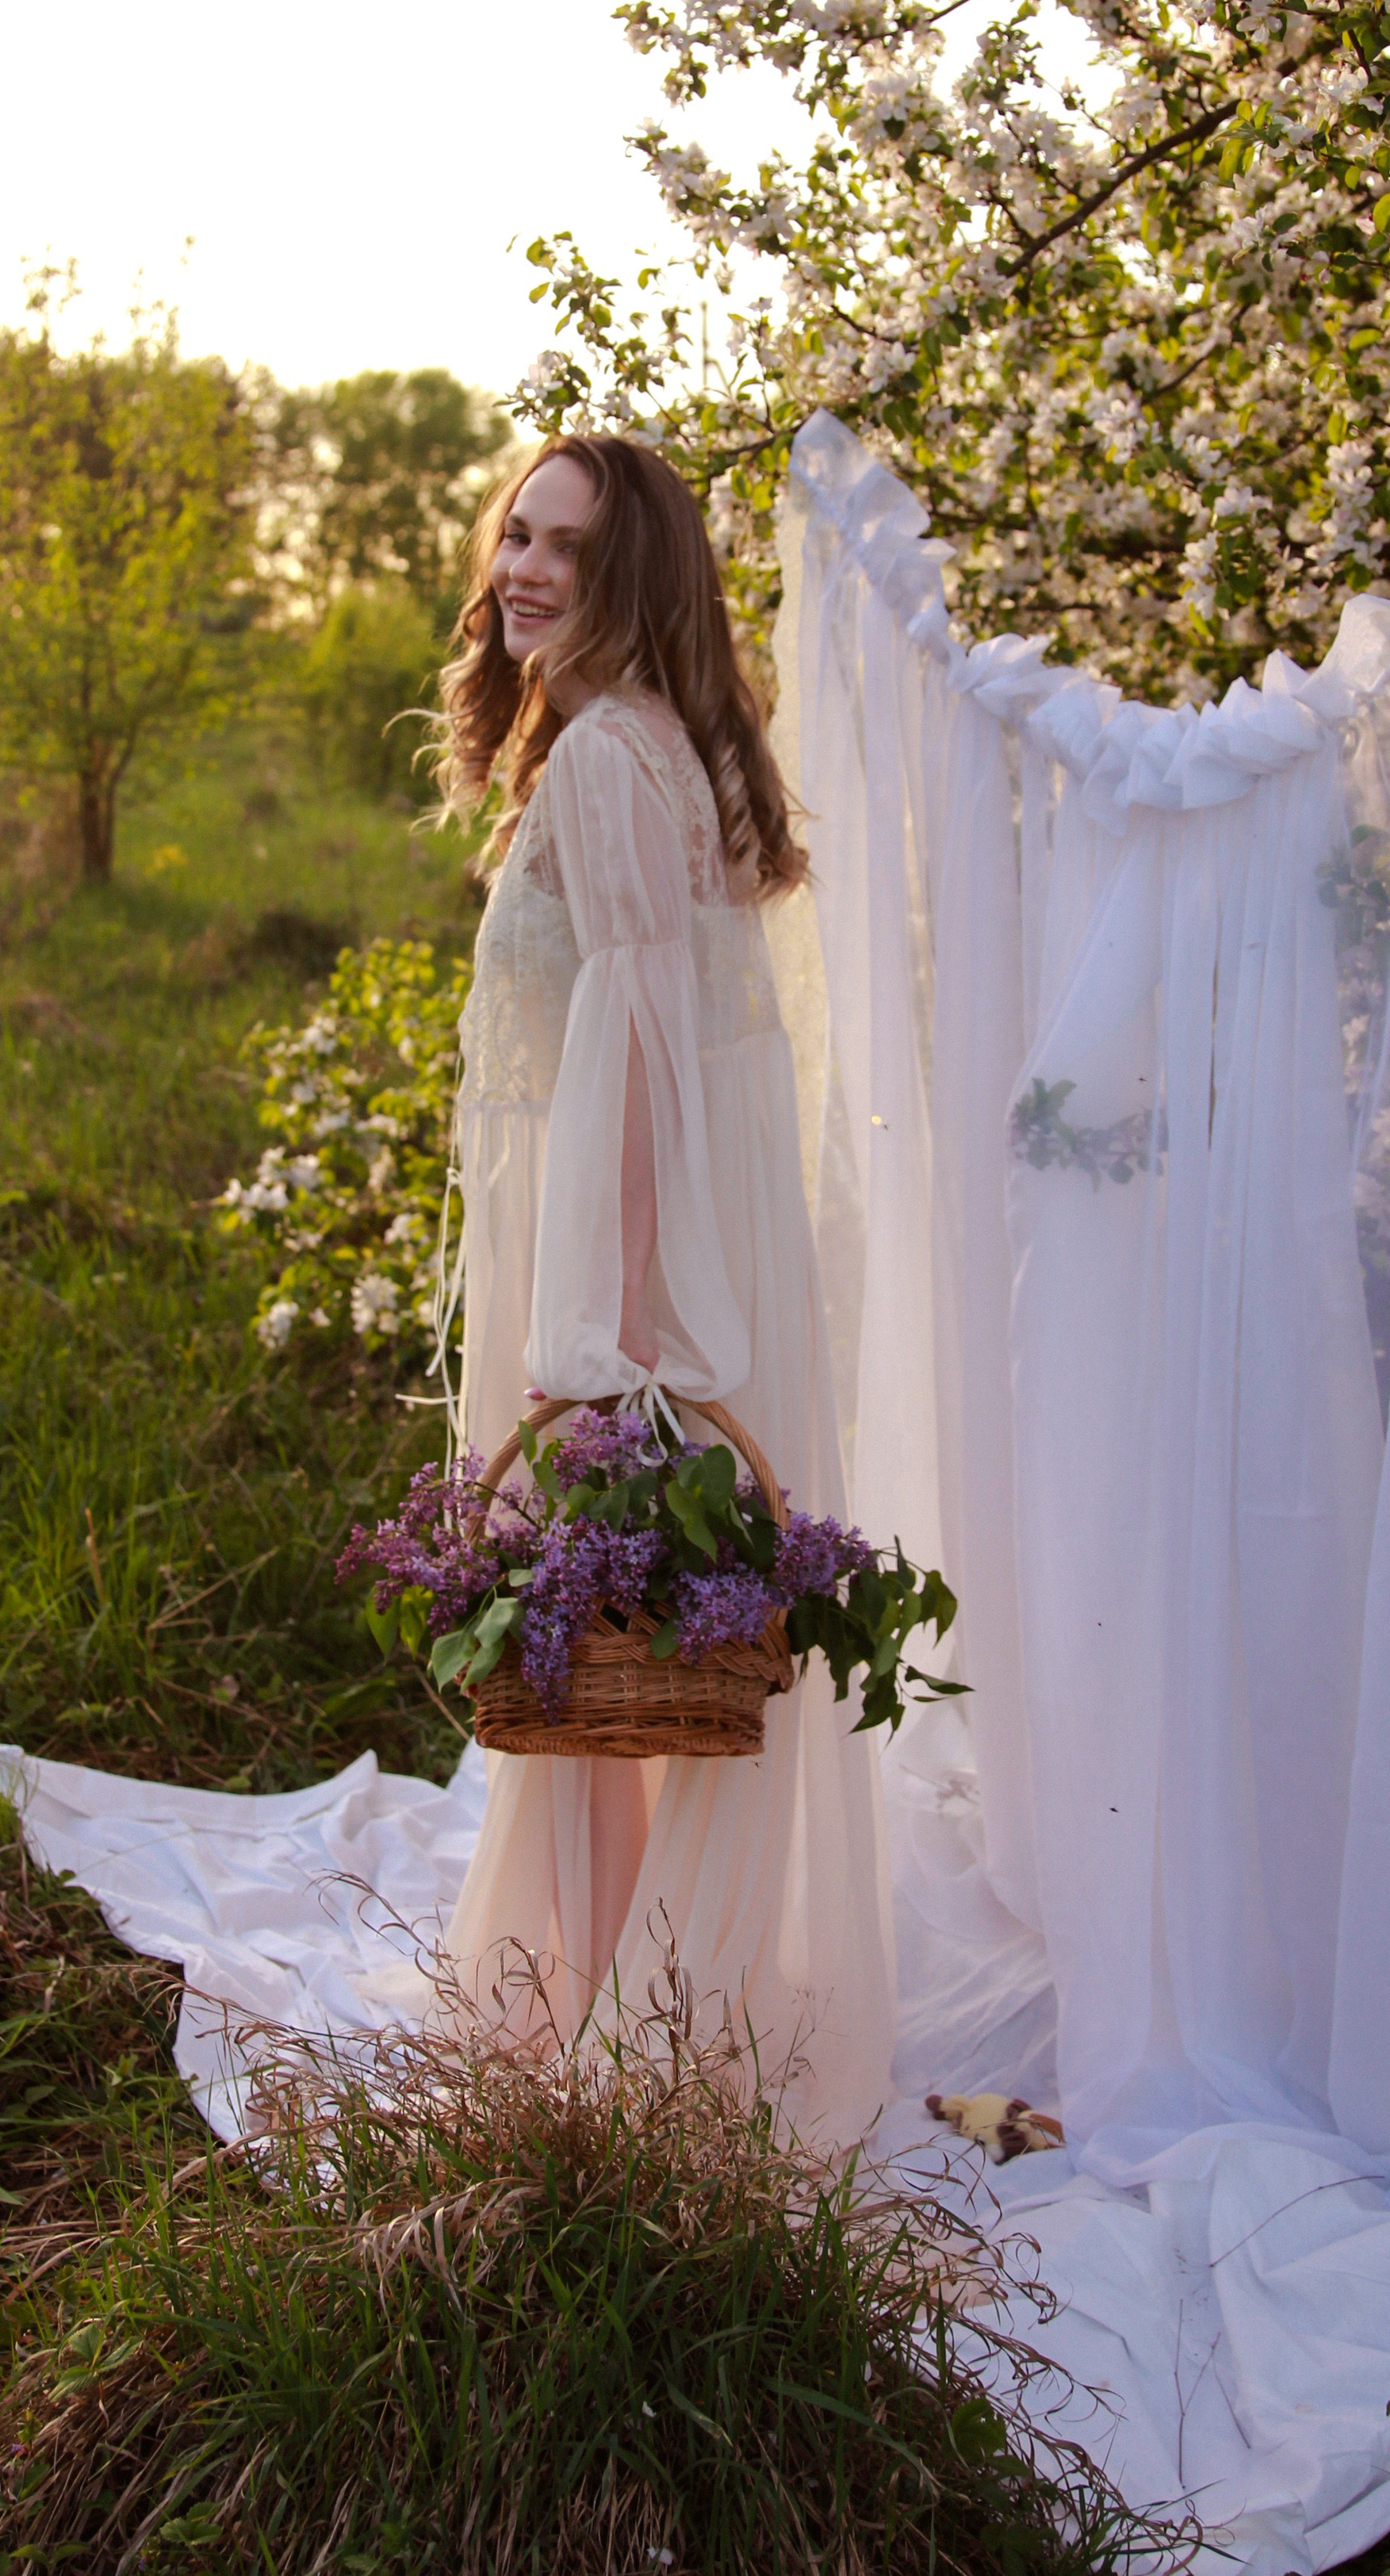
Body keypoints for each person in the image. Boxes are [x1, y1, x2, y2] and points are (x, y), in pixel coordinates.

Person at [430, 432, 894, 2141]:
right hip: (615, 1245)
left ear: (636, 577)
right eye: (514, 533)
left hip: (616, 1268)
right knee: (614, 1676)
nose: (523, 570)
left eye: (564, 547)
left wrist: (609, 1353)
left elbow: (637, 1080)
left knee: (612, 1677)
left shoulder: (610, 761)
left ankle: (626, 2028)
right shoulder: (626, 740)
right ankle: (620, 1999)